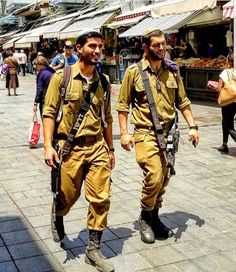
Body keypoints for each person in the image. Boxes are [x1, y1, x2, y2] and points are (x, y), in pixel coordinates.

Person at [116, 29, 199, 244]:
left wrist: (193, 126)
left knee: (164, 176)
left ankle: (154, 217)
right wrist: (124, 133)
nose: (162, 48)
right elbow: (123, 105)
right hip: (145, 132)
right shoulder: (134, 72)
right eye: (156, 45)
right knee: (154, 174)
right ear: (145, 48)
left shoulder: (172, 71)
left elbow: (183, 101)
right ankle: (145, 216)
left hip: (169, 132)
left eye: (163, 44)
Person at [43, 30, 115, 272]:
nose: (97, 51)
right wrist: (47, 146)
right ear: (79, 48)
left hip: (97, 147)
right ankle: (59, 212)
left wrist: (111, 148)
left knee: (101, 198)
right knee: (67, 195)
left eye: (100, 47)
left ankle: (93, 250)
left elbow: (107, 118)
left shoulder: (103, 81)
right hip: (69, 148)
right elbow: (49, 113)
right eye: (92, 46)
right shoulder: (61, 78)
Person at [217, 53, 236, 153]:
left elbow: (220, 88)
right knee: (228, 123)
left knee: (227, 125)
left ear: (228, 61)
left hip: (228, 102)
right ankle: (224, 144)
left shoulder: (225, 72)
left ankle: (224, 144)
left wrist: (214, 87)